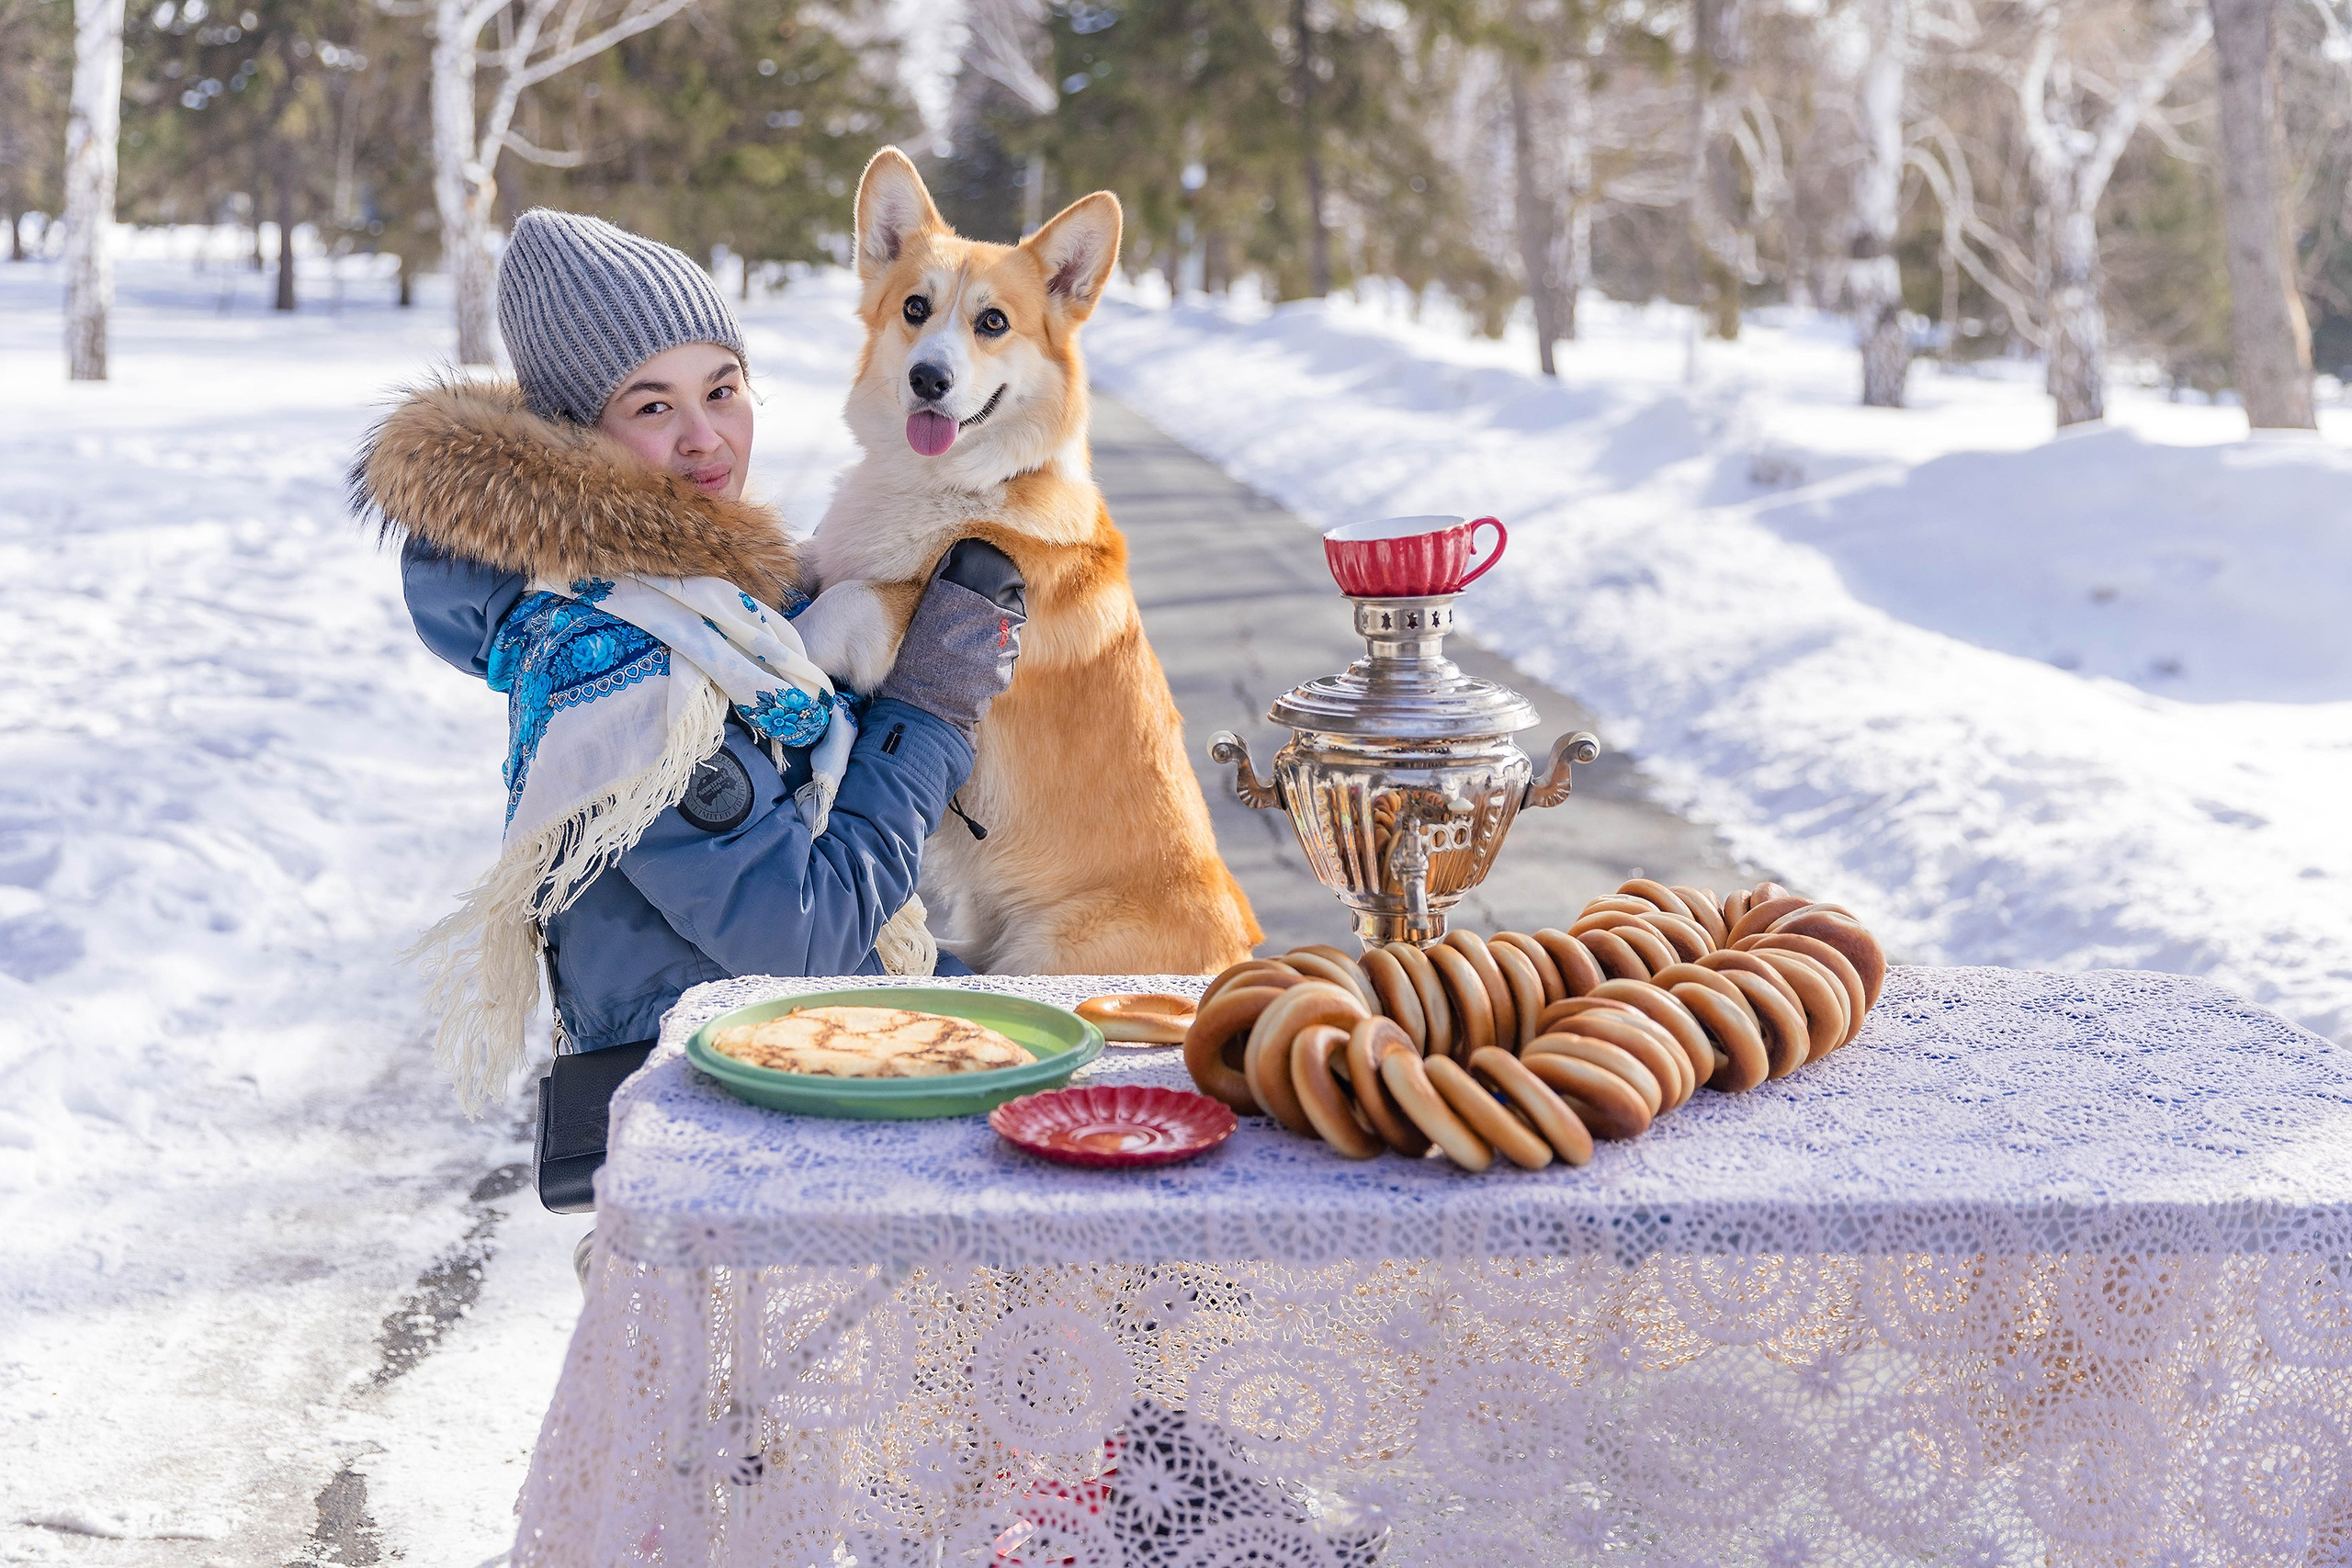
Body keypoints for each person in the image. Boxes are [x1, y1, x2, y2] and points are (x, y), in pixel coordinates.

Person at [353, 211, 1023, 1192]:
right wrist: (930, 706)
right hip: (726, 1163)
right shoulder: (621, 662)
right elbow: (806, 938)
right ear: (580, 440)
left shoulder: (713, 606)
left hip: (801, 1082)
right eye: (652, 406)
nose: (707, 439)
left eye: (721, 390)